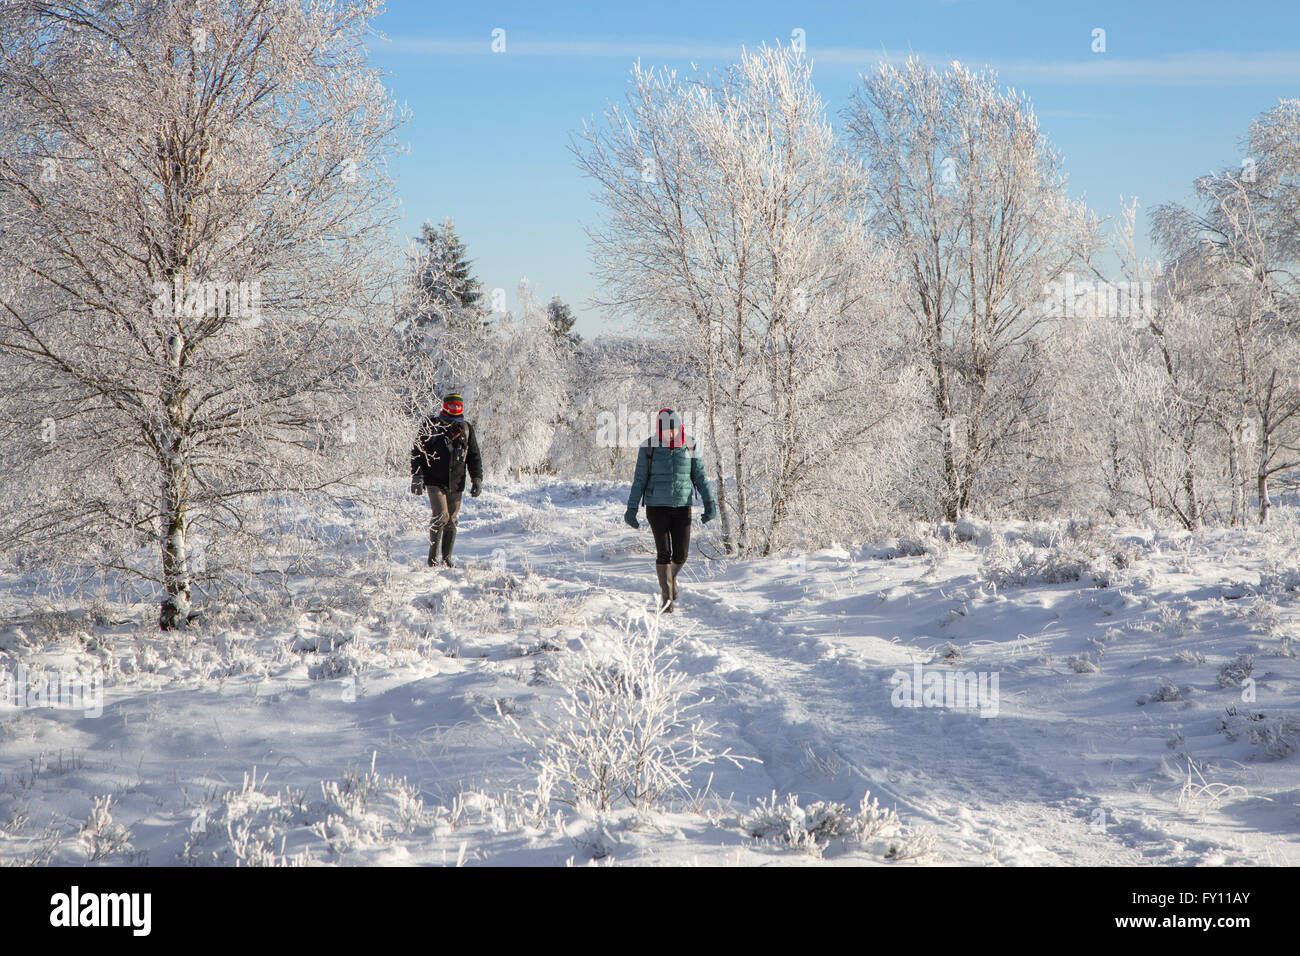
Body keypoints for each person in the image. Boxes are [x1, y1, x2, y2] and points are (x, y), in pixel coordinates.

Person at [624, 408, 716, 612]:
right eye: (666, 430)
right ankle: (667, 600)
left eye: (673, 430)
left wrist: (710, 503)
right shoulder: (649, 447)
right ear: (659, 429)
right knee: (663, 553)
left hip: (683, 506)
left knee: (681, 555)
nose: (670, 434)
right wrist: (631, 508)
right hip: (657, 507)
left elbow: (700, 476)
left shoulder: (690, 445)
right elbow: (639, 479)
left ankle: (670, 579)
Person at [410, 393, 482, 567]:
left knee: (452, 520)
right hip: (434, 481)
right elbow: (417, 453)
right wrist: (417, 476)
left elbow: (474, 456)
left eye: (458, 406)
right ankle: (433, 560)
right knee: (441, 516)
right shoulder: (431, 425)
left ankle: (447, 559)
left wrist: (477, 479)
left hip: (456, 483)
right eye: (452, 406)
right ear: (444, 406)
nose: (455, 409)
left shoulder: (466, 428)